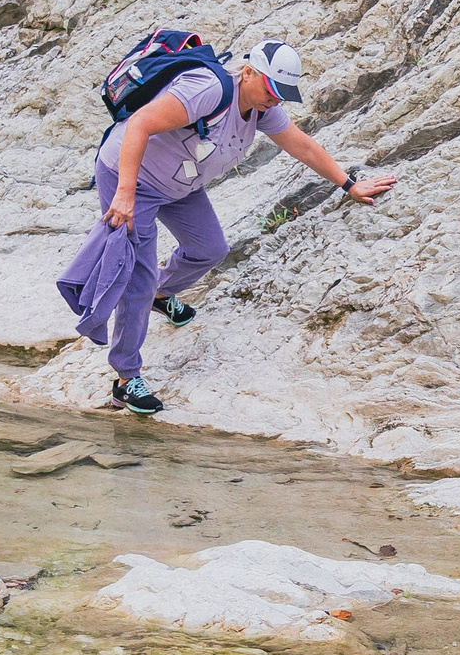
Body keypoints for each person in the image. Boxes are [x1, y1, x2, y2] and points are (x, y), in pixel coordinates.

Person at [57, 37, 395, 413]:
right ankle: (125, 378)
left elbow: (303, 146)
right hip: (131, 176)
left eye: (283, 93)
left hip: (181, 184)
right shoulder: (208, 90)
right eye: (272, 89)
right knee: (136, 277)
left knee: (209, 249)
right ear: (248, 72)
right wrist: (124, 193)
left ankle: (158, 293)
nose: (276, 98)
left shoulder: (261, 108)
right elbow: (139, 125)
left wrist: (348, 184)